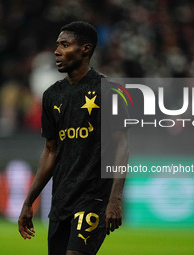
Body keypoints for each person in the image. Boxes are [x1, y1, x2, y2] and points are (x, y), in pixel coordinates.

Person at [18, 21, 128, 255]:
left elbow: (121, 147)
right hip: (60, 203)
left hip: (92, 200)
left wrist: (115, 199)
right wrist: (29, 201)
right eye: (57, 45)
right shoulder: (52, 96)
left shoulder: (109, 91)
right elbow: (50, 150)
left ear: (85, 49)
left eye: (65, 45)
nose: (56, 51)